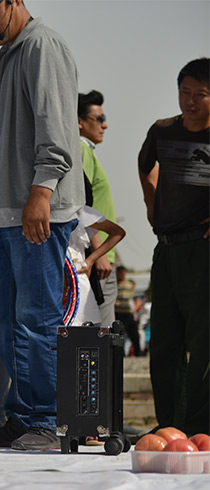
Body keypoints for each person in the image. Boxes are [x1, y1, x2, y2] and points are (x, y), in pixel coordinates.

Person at [0, 0, 85, 451]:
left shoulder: (42, 46)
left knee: (37, 316)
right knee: (8, 318)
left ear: (16, 1)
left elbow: (55, 127)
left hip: (37, 205)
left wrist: (43, 190)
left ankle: (49, 420)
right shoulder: (3, 58)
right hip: (4, 208)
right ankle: (24, 413)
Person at [138, 57, 209, 436]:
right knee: (164, 342)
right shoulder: (163, 130)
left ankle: (200, 428)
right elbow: (145, 164)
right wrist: (152, 203)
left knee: (203, 344)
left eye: (201, 94)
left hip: (203, 251)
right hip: (166, 248)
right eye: (185, 92)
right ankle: (168, 426)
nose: (191, 101)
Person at [78, 90, 119, 326]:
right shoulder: (82, 149)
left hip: (101, 252)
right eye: (99, 119)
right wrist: (98, 253)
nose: (105, 125)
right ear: (79, 122)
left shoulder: (88, 151)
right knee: (102, 335)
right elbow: (80, 204)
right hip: (97, 255)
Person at [66, 208, 125, 325]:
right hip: (53, 287)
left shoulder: (79, 211)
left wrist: (90, 260)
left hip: (78, 288)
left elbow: (118, 232)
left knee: (82, 337)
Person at [114, 266, 143, 356]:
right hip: (119, 312)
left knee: (134, 334)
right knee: (120, 334)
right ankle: (121, 354)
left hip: (128, 313)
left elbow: (134, 296)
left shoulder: (129, 284)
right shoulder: (115, 284)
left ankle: (138, 353)